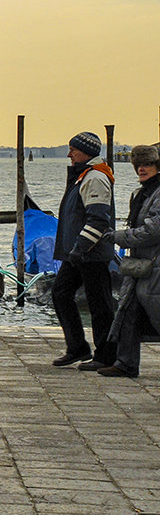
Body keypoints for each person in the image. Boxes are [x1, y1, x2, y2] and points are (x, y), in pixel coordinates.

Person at [50, 131, 117, 370]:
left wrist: (80, 248)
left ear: (86, 153)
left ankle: (106, 355)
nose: (69, 154)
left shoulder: (95, 178)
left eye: (73, 150)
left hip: (91, 252)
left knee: (99, 303)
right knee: (60, 293)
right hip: (80, 252)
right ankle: (78, 347)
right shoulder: (84, 175)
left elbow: (98, 219)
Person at [100, 145, 160, 379]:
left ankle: (125, 362)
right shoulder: (141, 193)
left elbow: (153, 230)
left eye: (148, 164)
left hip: (155, 266)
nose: (142, 169)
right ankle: (125, 363)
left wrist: (121, 238)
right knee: (128, 311)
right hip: (141, 266)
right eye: (139, 165)